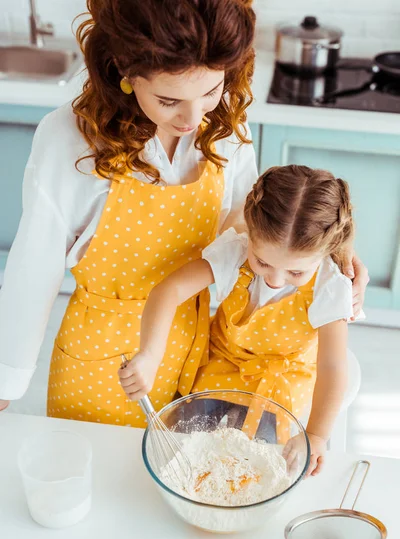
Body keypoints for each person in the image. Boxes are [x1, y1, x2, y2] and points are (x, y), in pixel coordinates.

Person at [0, 1, 367, 425]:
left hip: (196, 350)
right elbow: (35, 265)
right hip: (102, 358)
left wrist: (329, 251)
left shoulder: (226, 124)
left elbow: (249, 226)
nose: (195, 118)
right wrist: (5, 384)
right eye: (168, 99)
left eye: (212, 90)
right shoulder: (73, 140)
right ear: (124, 69)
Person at [119, 165, 358, 475]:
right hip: (223, 361)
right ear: (251, 231)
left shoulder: (329, 285)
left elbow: (332, 367)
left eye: (296, 272)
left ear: (326, 251)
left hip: (282, 378)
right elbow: (169, 290)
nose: (275, 279)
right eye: (262, 261)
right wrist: (150, 355)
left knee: (260, 461)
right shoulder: (235, 252)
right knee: (189, 442)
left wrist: (315, 435)